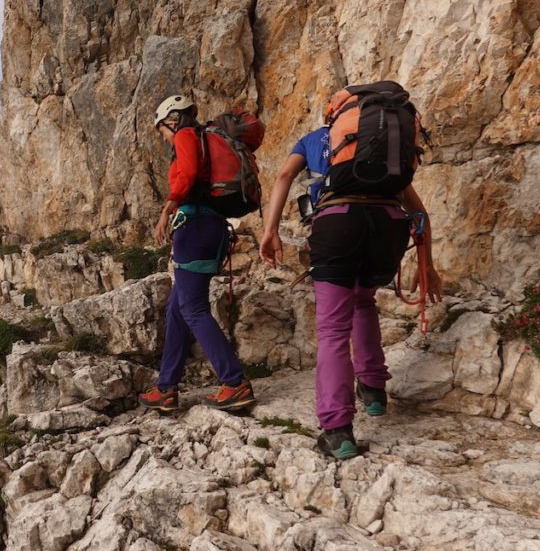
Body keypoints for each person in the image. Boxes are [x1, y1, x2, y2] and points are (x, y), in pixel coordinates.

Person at [259, 122, 443, 459]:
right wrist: (427, 266)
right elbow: (419, 211)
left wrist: (270, 230)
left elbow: (284, 176)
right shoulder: (384, 142)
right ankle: (373, 391)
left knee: (332, 330)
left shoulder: (314, 139)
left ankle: (337, 430)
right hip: (387, 227)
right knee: (363, 301)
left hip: (337, 224)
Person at [138, 95, 257, 412]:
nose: (164, 136)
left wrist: (166, 211)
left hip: (194, 228)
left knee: (192, 309)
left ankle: (234, 382)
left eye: (162, 129)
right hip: (210, 226)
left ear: (171, 120)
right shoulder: (201, 137)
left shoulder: (186, 135)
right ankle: (166, 388)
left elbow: (187, 175)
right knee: (177, 310)